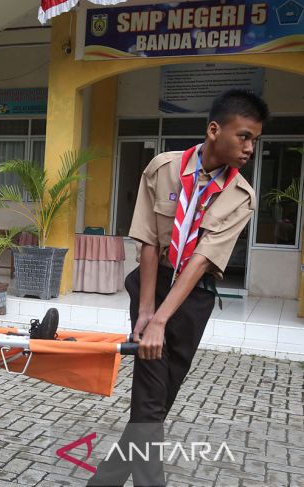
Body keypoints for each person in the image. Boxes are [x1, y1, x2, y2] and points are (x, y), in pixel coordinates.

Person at [87, 89, 268, 486]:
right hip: (153, 285)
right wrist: (148, 313)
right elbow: (148, 241)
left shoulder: (242, 196)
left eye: (255, 139)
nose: (250, 147)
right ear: (214, 129)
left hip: (192, 298)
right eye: (244, 136)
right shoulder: (162, 168)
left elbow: (202, 258)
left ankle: (104, 480)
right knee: (152, 402)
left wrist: (163, 319)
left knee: (156, 403)